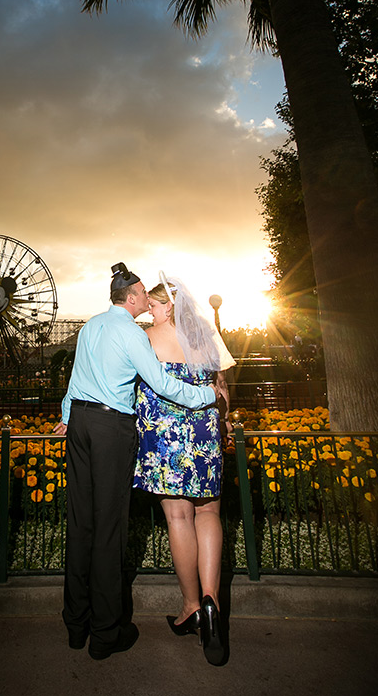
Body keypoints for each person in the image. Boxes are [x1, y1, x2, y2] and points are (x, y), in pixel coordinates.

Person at [53, 263, 227, 661]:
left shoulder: (95, 328)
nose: (147, 302)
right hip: (135, 428)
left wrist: (66, 415)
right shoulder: (161, 335)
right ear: (130, 298)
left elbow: (78, 380)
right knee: (117, 527)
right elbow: (187, 384)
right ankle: (110, 631)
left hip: (89, 423)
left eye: (153, 297)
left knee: (83, 524)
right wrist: (210, 402)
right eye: (143, 295)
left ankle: (77, 624)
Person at [133, 273, 235, 665]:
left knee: (178, 516)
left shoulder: (147, 340)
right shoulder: (207, 338)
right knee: (209, 511)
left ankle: (191, 604)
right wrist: (221, 421)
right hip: (204, 429)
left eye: (155, 306)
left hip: (164, 438)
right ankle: (213, 604)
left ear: (169, 305)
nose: (150, 312)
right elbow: (222, 388)